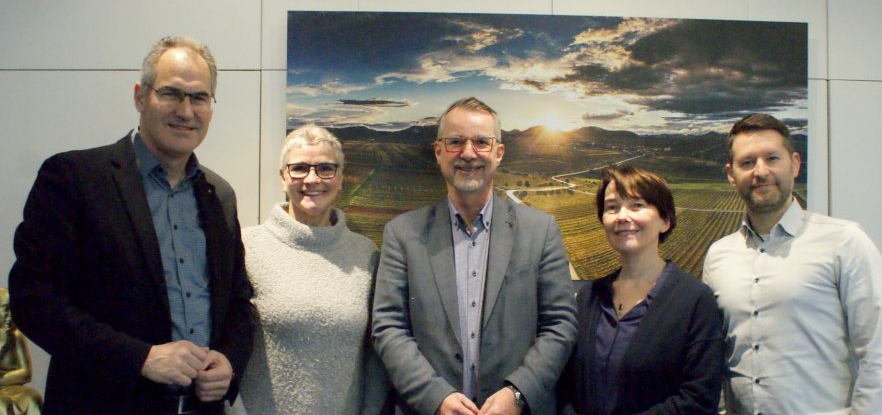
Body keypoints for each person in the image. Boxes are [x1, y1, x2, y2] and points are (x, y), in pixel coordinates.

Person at [8, 36, 254, 414]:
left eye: (199, 97)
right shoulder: (74, 179)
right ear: (141, 96)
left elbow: (238, 303)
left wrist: (229, 362)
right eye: (171, 93)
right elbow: (34, 300)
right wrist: (140, 358)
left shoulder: (219, 195)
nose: (186, 111)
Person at [372, 97, 578, 415]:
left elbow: (560, 324)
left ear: (498, 152)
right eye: (455, 142)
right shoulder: (402, 234)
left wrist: (518, 393)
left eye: (482, 142)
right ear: (439, 152)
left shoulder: (541, 231)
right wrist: (434, 396)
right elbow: (389, 327)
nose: (468, 153)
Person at [703, 113, 882, 414]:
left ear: (794, 164)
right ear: (731, 174)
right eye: (747, 162)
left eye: (772, 158)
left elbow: (879, 356)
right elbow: (714, 356)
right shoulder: (718, 256)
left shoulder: (844, 242)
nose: (760, 171)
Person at [239, 124, 389, 414]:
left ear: (341, 178)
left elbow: (375, 360)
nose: (311, 179)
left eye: (325, 168)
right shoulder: (247, 248)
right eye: (299, 168)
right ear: (283, 177)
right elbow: (225, 349)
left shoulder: (365, 254)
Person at [558, 166, 723, 414]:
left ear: (665, 221)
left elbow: (698, 399)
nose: (622, 216)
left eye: (637, 205)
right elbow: (566, 386)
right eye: (612, 207)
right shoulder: (588, 298)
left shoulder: (696, 301)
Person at [0, 288, 42, 415]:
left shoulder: (16, 336)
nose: (9, 314)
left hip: (12, 388)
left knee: (32, 398)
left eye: (11, 309)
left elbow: (26, 373)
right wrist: (3, 343)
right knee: (3, 405)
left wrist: (3, 380)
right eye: (5, 308)